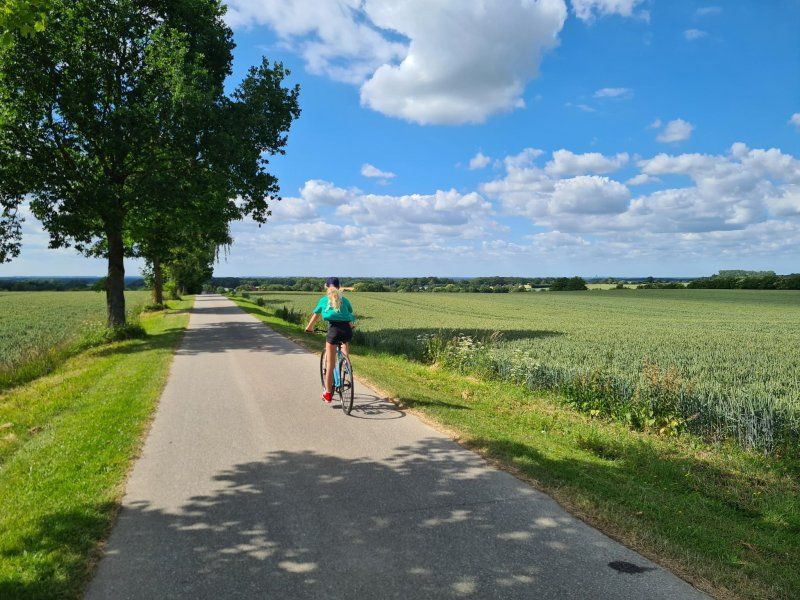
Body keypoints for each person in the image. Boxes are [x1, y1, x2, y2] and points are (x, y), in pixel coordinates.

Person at [304, 277, 355, 403]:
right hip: (347, 332)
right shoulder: (345, 300)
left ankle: (327, 394)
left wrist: (309, 328)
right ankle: (346, 364)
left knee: (330, 364)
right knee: (344, 346)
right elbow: (350, 316)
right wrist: (351, 325)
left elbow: (316, 316)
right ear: (339, 287)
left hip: (333, 332)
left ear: (326, 287)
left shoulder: (324, 300)